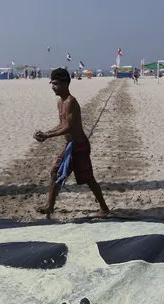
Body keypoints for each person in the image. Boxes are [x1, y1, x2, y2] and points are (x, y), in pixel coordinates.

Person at [33, 68, 109, 219]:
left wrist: (48, 135)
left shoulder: (70, 102)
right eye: (52, 83)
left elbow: (69, 126)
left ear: (66, 83)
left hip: (79, 146)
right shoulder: (60, 102)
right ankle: (50, 207)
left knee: (88, 179)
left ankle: (104, 208)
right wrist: (45, 133)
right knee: (55, 172)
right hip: (70, 147)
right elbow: (61, 124)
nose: (53, 87)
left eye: (55, 84)